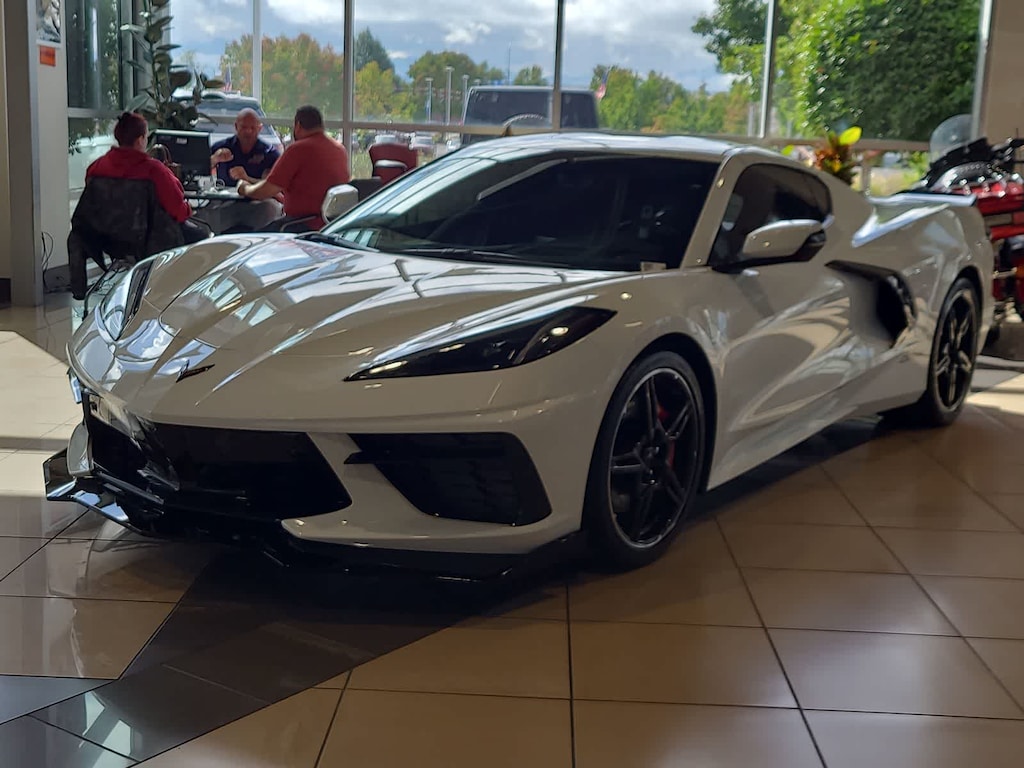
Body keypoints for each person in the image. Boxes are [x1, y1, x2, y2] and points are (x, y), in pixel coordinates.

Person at [86, 112, 208, 244]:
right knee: (201, 236)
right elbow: (177, 210)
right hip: (151, 240)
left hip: (109, 237)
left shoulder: (96, 168)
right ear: (140, 140)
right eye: (146, 137)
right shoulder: (154, 171)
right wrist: (188, 208)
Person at [235, 105, 350, 230]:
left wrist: (244, 188)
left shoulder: (298, 149)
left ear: (298, 125)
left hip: (301, 224)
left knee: (251, 240)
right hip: (332, 224)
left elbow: (265, 191)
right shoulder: (339, 150)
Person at [209, 108, 280, 185]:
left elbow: (274, 186)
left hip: (255, 196)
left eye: (253, 128)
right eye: (244, 127)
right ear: (236, 126)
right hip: (222, 195)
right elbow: (198, 171)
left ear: (259, 128)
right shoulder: (221, 147)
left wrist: (246, 179)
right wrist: (214, 159)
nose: (248, 132)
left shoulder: (269, 152)